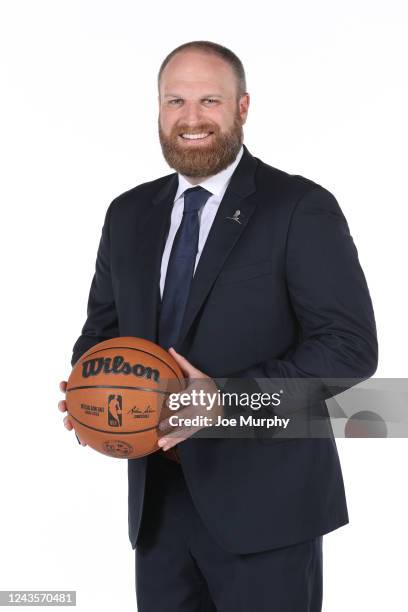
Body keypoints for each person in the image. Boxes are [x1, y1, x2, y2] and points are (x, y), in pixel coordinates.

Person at [58, 41, 378, 611]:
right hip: (158, 504)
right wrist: (91, 385)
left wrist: (225, 400)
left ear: (243, 108)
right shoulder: (127, 214)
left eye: (210, 100)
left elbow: (350, 348)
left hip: (268, 511)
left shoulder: (299, 206)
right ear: (158, 109)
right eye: (175, 100)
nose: (191, 117)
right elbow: (101, 332)